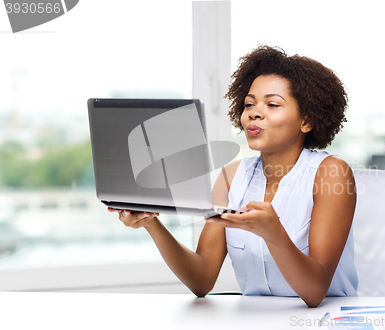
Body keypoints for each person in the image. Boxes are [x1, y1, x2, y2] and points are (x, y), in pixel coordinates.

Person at [109, 45, 357, 307]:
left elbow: (315, 291)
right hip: (255, 319)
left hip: (323, 320)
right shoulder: (232, 176)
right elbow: (202, 279)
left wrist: (274, 234)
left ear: (306, 121)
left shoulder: (331, 174)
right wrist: (151, 222)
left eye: (272, 104)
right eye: (249, 103)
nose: (254, 111)